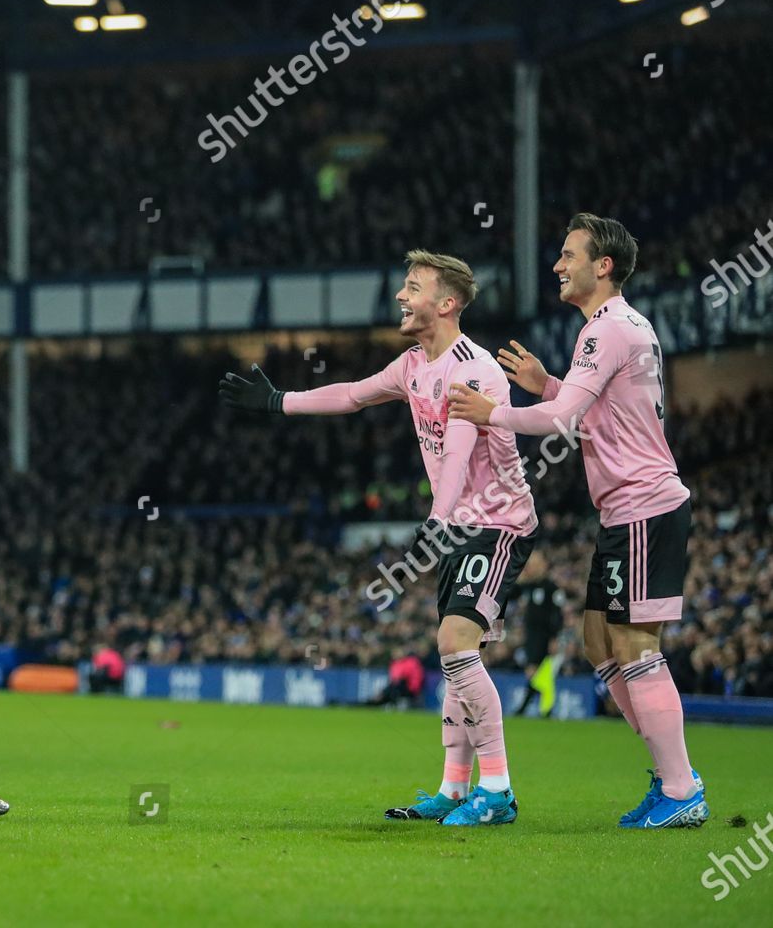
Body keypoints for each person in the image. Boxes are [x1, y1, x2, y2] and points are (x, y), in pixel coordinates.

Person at [221, 250, 538, 827]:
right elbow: (352, 394)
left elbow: (463, 452)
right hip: (460, 527)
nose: (400, 296)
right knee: (457, 657)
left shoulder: (476, 369)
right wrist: (278, 401)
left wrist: (439, 520)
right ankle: (452, 788)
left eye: (412, 287)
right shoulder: (415, 363)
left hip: (498, 523)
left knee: (455, 645)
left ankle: (498, 792)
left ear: (446, 304)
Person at [449, 212, 707, 829]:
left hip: (646, 504)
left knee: (635, 645)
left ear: (603, 265)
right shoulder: (613, 329)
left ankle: (681, 788)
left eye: (569, 255)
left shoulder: (608, 328)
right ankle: (671, 780)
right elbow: (594, 415)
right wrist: (547, 385)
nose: (559, 265)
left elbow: (565, 422)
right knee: (599, 643)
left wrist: (494, 412)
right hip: (623, 511)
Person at [512, 552, 565, 717]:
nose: (531, 567)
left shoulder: (551, 588)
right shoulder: (528, 586)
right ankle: (545, 710)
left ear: (544, 565)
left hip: (545, 636)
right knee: (539, 674)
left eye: (535, 563)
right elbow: (510, 594)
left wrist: (555, 637)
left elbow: (558, 614)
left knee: (536, 672)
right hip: (531, 635)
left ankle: (524, 708)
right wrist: (519, 579)